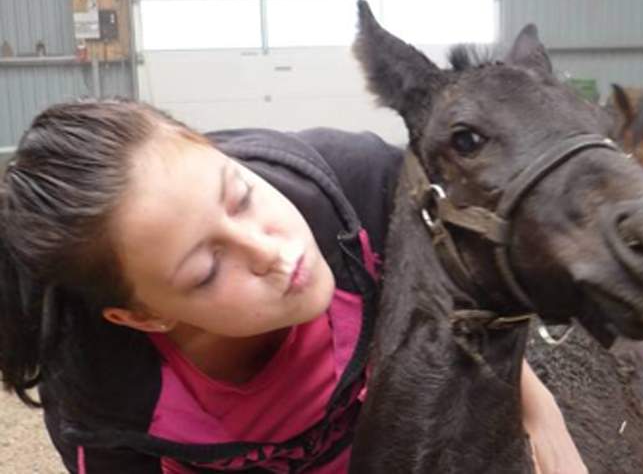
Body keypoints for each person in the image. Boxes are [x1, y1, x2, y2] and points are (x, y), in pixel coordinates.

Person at [0, 98, 585, 473]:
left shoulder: (362, 190)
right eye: (206, 271)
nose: (275, 253)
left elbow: (465, 290)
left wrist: (536, 408)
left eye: (242, 195)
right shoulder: (103, 409)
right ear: (143, 316)